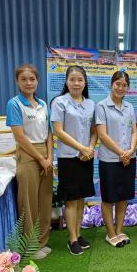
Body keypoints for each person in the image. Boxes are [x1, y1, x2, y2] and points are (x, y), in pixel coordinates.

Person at [6, 64, 53, 260]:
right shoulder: (14, 104)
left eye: (32, 79)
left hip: (45, 153)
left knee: (44, 200)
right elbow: (20, 137)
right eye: (24, 79)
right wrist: (41, 158)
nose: (28, 83)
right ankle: (30, 246)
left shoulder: (42, 104)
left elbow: (49, 133)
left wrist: (50, 157)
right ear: (17, 81)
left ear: (37, 81)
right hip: (28, 154)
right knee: (28, 201)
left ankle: (42, 241)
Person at [51, 65, 97, 256]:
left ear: (85, 82)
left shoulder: (91, 104)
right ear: (66, 82)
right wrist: (82, 148)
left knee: (81, 199)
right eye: (72, 79)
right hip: (69, 158)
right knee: (71, 200)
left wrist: (90, 149)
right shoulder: (60, 102)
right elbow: (58, 131)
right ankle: (72, 239)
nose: (76, 83)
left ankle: (78, 234)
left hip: (86, 157)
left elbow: (94, 132)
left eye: (80, 80)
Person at [96, 71, 137, 247]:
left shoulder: (130, 107)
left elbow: (134, 131)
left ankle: (119, 230)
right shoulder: (102, 106)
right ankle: (110, 233)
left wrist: (131, 150)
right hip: (110, 159)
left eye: (124, 85)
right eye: (117, 84)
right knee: (109, 197)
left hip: (129, 158)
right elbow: (102, 135)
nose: (121, 88)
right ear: (111, 84)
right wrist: (122, 153)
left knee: (123, 197)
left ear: (128, 87)